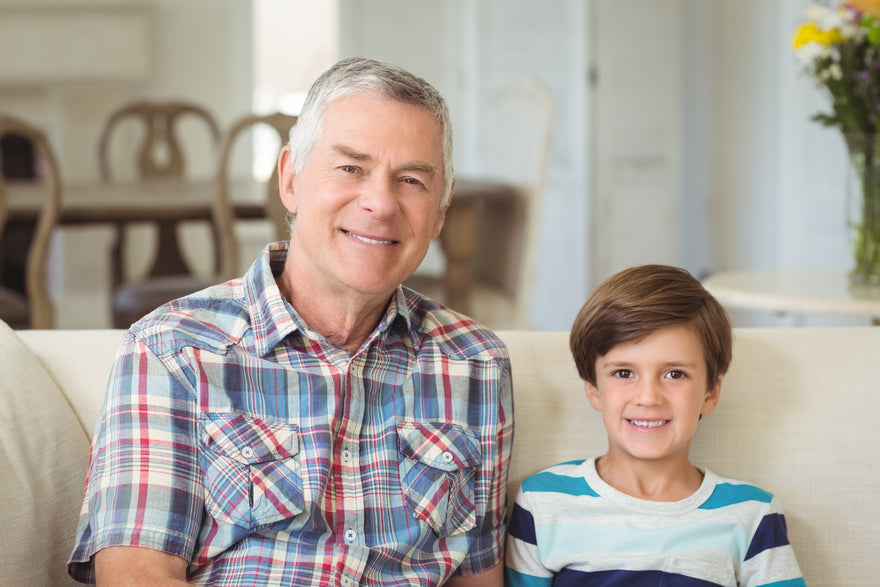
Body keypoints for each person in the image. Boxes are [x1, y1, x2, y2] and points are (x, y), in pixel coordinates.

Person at [68, 57, 513, 586]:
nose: (380, 203)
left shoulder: (477, 363)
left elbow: (478, 579)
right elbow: (136, 577)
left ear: (440, 211)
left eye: (412, 180)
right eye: (350, 168)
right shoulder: (172, 350)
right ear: (291, 180)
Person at [505, 265, 805, 586]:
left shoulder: (752, 514)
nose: (648, 397)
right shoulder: (543, 502)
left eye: (675, 374)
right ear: (593, 389)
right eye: (623, 373)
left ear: (710, 393)